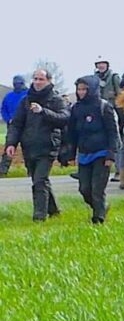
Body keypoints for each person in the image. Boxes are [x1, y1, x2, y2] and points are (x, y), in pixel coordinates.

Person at [5, 69, 69, 221]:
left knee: (40, 181)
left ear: (49, 81)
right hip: (29, 147)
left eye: (41, 79)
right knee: (39, 180)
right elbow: (17, 124)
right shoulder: (26, 100)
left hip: (48, 146)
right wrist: (11, 143)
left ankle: (39, 217)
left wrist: (43, 112)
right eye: (35, 79)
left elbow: (64, 118)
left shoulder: (55, 100)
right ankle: (54, 211)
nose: (38, 82)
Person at [61, 76, 120, 224]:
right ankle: (100, 208)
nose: (81, 92)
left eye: (84, 89)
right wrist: (70, 154)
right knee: (84, 189)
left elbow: (112, 132)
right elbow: (72, 133)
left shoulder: (104, 107)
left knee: (97, 189)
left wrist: (111, 154)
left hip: (102, 153)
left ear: (92, 89)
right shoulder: (76, 108)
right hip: (84, 154)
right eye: (79, 89)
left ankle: (98, 219)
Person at [0, 75, 28, 176]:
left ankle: (32, 171)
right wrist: (8, 119)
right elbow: (3, 110)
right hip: (13, 126)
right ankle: (2, 171)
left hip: (26, 126)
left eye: (19, 83)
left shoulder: (29, 94)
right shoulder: (9, 96)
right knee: (9, 147)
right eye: (16, 84)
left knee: (28, 149)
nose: (18, 85)